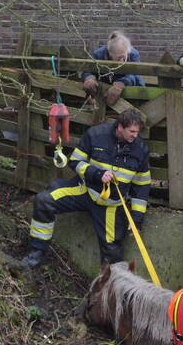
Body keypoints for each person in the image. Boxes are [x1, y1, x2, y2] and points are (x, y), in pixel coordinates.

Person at [21, 109, 151, 267]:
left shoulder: (141, 149)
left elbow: (142, 186)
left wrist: (136, 219)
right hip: (85, 190)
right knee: (44, 200)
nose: (135, 136)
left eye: (137, 132)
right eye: (132, 131)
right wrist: (96, 173)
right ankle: (36, 255)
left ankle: (109, 286)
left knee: (113, 254)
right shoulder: (96, 135)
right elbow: (75, 161)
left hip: (111, 205)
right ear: (119, 127)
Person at [81, 30, 146, 105]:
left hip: (132, 95)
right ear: (109, 53)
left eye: (124, 57)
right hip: (105, 94)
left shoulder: (134, 54)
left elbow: (134, 75)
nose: (122, 61)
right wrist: (89, 79)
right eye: (118, 58)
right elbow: (87, 71)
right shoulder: (98, 54)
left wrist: (120, 84)